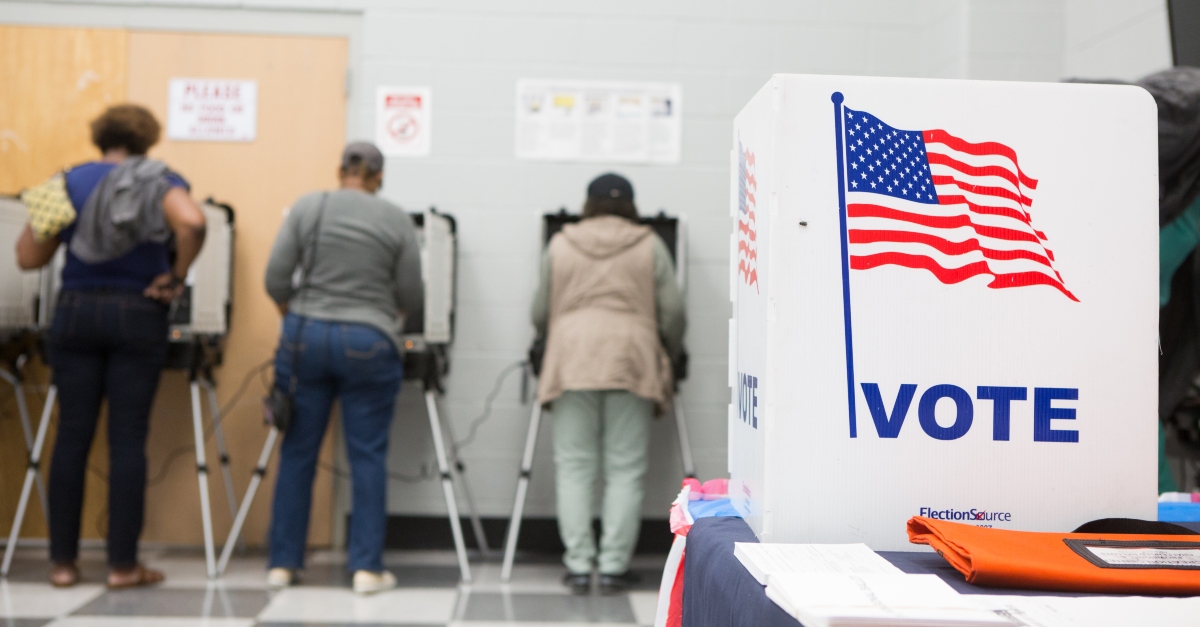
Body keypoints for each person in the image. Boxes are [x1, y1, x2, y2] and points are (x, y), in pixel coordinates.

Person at [15, 104, 207, 588]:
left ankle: (62, 565)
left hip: (76, 312)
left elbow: (26, 256)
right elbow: (194, 224)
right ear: (148, 139)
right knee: (127, 441)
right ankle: (123, 566)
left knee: (71, 438)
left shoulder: (67, 180)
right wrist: (175, 276)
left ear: (100, 137)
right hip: (139, 312)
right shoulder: (161, 179)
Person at [263, 142, 423, 595]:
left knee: (297, 450)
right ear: (379, 176)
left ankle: (283, 564)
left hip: (304, 337)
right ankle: (367, 569)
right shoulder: (394, 218)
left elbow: (275, 278)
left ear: (340, 171)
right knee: (367, 455)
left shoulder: (309, 207)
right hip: (369, 340)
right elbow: (412, 295)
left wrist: (297, 318)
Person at [531, 173, 686, 594]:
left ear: (588, 203)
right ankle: (614, 566)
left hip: (571, 358)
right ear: (631, 206)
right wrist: (671, 352)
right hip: (630, 358)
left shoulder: (561, 242)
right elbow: (672, 311)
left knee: (574, 466)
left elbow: (540, 310)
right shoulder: (649, 244)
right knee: (625, 468)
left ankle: (580, 565)